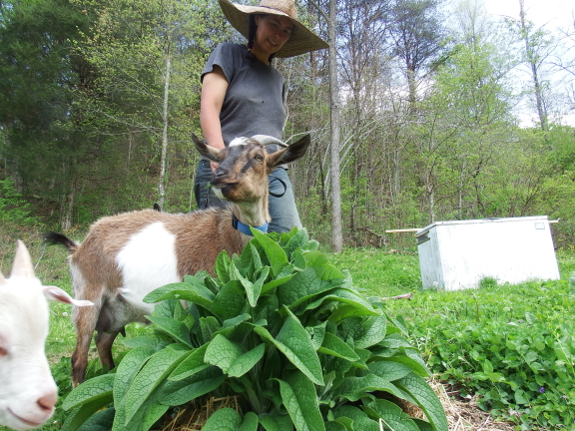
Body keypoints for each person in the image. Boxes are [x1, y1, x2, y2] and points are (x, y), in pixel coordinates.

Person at [194, 0, 328, 233]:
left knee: (289, 239)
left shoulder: (277, 80)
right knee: (226, 248)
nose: (278, 35)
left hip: (267, 171)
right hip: (228, 163)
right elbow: (209, 106)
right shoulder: (229, 54)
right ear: (256, 20)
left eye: (285, 31)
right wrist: (218, 154)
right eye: (273, 24)